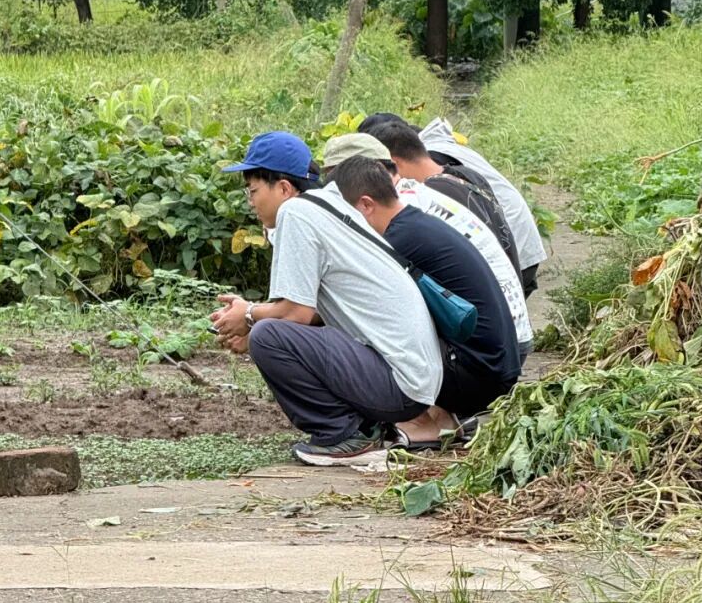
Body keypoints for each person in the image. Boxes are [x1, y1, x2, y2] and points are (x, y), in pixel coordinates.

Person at [210, 131, 465, 466]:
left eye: (253, 190)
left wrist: (248, 314)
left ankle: (346, 436)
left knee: (268, 336)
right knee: (269, 331)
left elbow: (296, 314)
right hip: (417, 381)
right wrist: (254, 317)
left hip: (402, 384)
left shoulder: (296, 214)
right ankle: (365, 429)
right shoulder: (329, 205)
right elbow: (311, 315)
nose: (250, 201)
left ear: (284, 188)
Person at [332, 156, 522, 427]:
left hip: (477, 380)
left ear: (366, 204)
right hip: (495, 368)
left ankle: (418, 421)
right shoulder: (414, 223)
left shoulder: (396, 242)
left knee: (360, 325)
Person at [321, 132, 533, 357]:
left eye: (340, 180)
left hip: (487, 347)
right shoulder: (417, 193)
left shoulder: (395, 215)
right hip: (509, 334)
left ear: (375, 171)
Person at [361, 112, 546, 294]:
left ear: (392, 163)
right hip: (513, 254)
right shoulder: (454, 170)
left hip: (511, 256)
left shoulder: (433, 192)